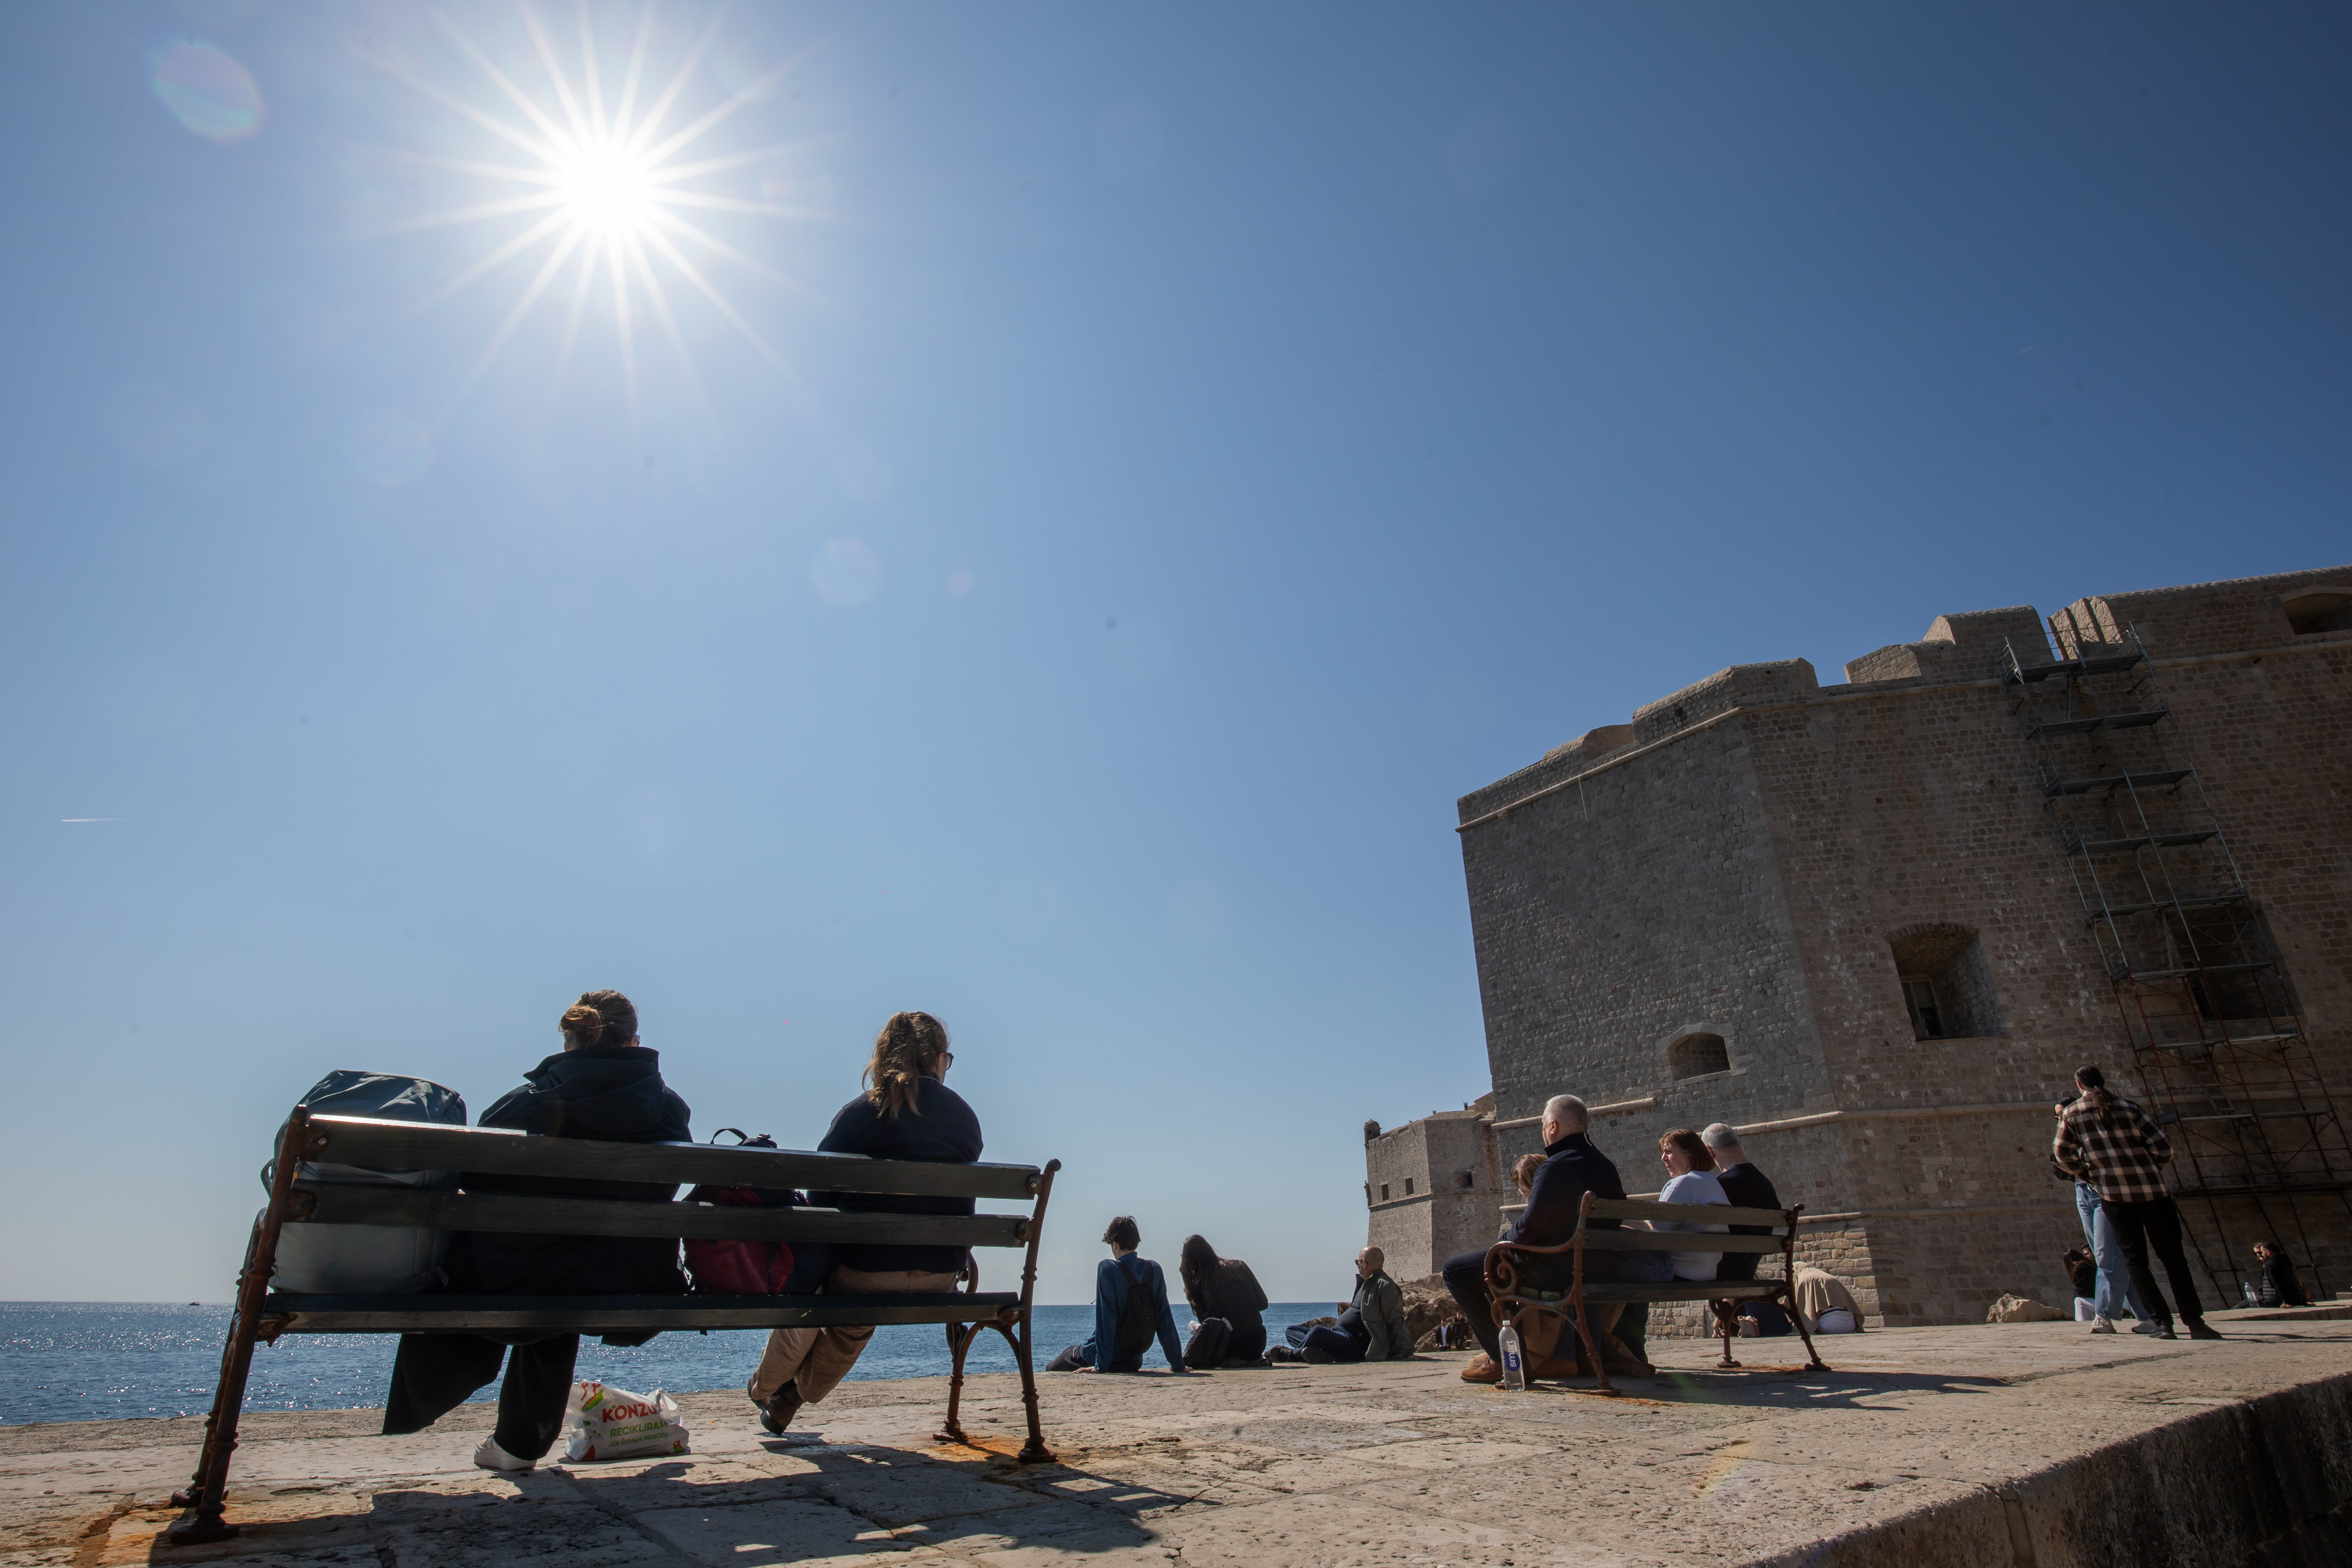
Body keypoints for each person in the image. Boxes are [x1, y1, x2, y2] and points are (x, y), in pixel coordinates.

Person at [384, 991, 691, 1473]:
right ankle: (519, 1441)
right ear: (634, 1040)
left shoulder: (528, 1104)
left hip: (531, 1279)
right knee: (570, 1258)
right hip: (633, 1279)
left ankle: (515, 1439)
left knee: (540, 1258)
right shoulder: (669, 1109)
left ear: (569, 1042)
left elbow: (473, 1175)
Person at [747, 1012, 984, 1434]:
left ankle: (763, 1387)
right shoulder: (965, 1117)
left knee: (815, 1296)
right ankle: (791, 1398)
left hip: (867, 1271)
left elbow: (819, 1195)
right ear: (937, 1058)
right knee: (852, 1321)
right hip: (941, 1273)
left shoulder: (863, 1111)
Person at [1441, 1095, 1669, 1383]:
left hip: (1559, 1270)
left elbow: (1526, 1231)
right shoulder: (1606, 1167)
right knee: (1494, 1265)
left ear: (1552, 1126)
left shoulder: (1556, 1167)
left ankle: (1507, 1359)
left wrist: (1502, 1242)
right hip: (1598, 1267)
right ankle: (1574, 1356)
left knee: (1457, 1270)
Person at [2053, 1065, 2221, 1342]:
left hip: (2115, 1197)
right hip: (2154, 1192)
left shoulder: (2072, 1113)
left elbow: (2062, 1154)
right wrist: (2150, 1168)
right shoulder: (2128, 1107)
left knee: (2136, 1262)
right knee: (2175, 1260)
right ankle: (2194, 1321)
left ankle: (2162, 1323)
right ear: (2103, 1081)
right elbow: (2163, 1145)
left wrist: (2090, 1174)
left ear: (2078, 1084)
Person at [2055, 1095, 2159, 1335]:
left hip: (2104, 1191)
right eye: (2057, 1115)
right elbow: (2058, 1163)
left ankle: (2104, 1315)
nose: (2060, 1118)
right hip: (2082, 1190)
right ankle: (2151, 1314)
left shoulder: (2096, 1127)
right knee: (2112, 1258)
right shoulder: (2067, 1134)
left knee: (2107, 1255)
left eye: (2062, 1113)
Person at [1045, 1217, 1187, 1373]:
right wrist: (1178, 1364)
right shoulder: (1155, 1270)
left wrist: (1101, 1366)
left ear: (1115, 1244)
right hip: (1133, 1361)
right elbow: (1165, 1321)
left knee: (1054, 1366)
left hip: (1100, 1357)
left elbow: (1107, 1320)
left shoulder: (1108, 1268)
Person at [1265, 1248, 1413, 1365]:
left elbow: (1396, 1319)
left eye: (1358, 1262)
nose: (1357, 1266)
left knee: (1317, 1332)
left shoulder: (1385, 1286)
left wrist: (1407, 1352)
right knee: (1292, 1330)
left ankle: (1292, 1354)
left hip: (1355, 1343)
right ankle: (1316, 1353)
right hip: (1339, 1334)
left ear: (1364, 1263)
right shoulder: (1365, 1283)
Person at [1645, 1128, 1730, 1283]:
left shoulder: (1682, 1183)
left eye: (1669, 1152)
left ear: (1689, 1153)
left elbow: (1652, 1231)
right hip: (1707, 1273)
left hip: (1678, 1272)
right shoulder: (1713, 1183)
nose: (1663, 1158)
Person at [1699, 1124, 1780, 1283]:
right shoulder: (1764, 1184)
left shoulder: (1719, 1186)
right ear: (1739, 1143)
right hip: (1747, 1269)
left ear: (1710, 1152)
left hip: (1717, 1270)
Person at [1178, 1235, 1269, 1365]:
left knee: (1198, 1328)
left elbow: (1206, 1325)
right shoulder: (1240, 1266)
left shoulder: (1198, 1282)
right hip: (1258, 1342)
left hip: (1229, 1347)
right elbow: (1263, 1303)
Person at [2255, 1242, 2310, 1308]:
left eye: (2261, 1252)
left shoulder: (2271, 1264)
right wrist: (2302, 1301)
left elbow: (2278, 1284)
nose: (2260, 1255)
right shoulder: (2286, 1262)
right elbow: (2294, 1283)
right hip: (2295, 1300)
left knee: (2244, 1305)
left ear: (2268, 1253)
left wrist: (2285, 1302)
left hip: (2274, 1300)